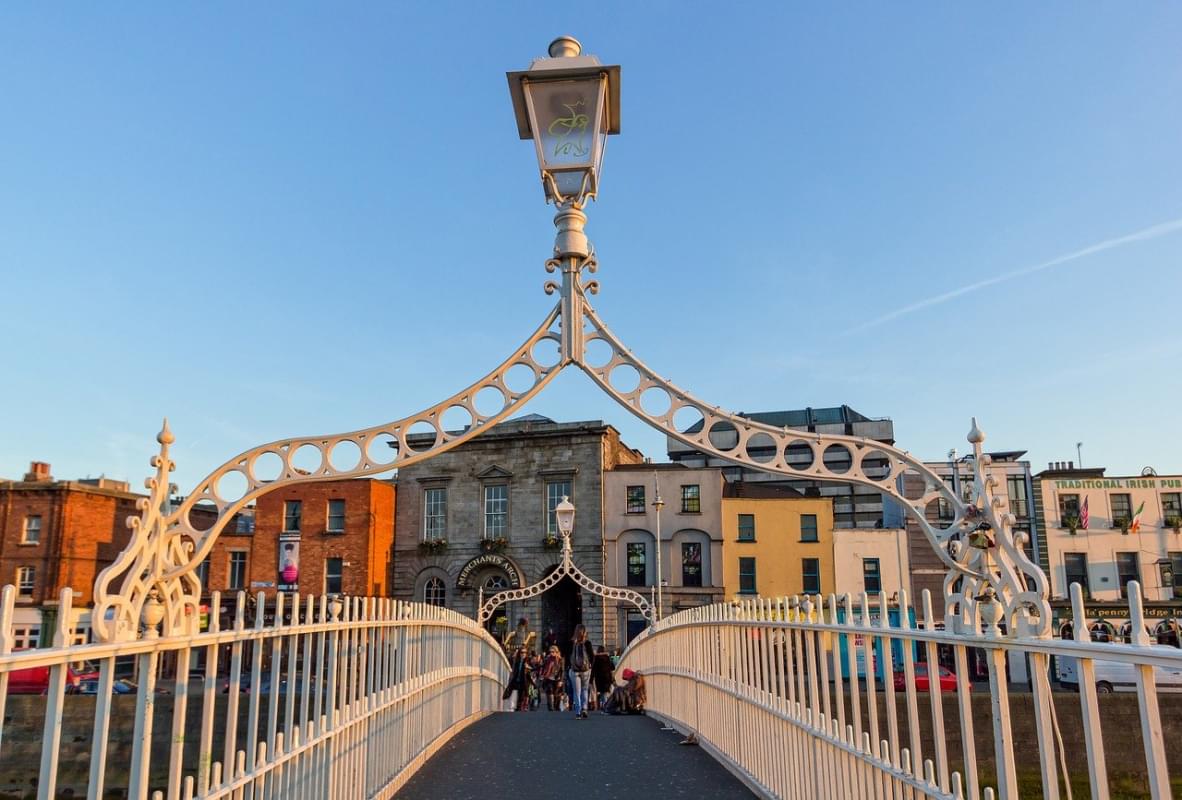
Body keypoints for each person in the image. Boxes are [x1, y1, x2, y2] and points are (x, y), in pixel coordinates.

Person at [568, 623, 595, 719]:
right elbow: (592, 656)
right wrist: (591, 667)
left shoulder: (572, 643)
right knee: (585, 690)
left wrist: (568, 667)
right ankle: (584, 708)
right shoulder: (587, 643)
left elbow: (567, 656)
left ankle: (578, 712)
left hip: (574, 670)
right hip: (586, 670)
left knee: (577, 692)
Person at [539, 645, 565, 711]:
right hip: (549, 678)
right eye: (550, 652)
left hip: (557, 679)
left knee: (556, 695)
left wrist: (561, 681)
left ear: (556, 652)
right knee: (549, 692)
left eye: (553, 652)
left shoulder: (560, 660)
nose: (551, 653)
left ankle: (556, 708)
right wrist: (541, 674)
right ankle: (551, 708)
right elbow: (542, 667)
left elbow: (562, 671)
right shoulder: (547, 659)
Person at [507, 647, 530, 712]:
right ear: (519, 653)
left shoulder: (528, 660)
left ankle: (523, 707)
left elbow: (534, 669)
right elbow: (513, 671)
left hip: (525, 681)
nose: (523, 654)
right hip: (517, 681)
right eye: (522, 652)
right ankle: (518, 708)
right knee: (517, 695)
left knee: (523, 695)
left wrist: (528, 667)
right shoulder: (516, 661)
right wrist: (510, 680)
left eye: (525, 652)